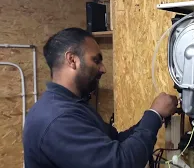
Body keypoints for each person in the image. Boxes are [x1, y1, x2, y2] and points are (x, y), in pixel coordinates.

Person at [23, 28, 178, 168]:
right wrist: (154, 114)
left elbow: (116, 141)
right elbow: (120, 163)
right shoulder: (58, 118)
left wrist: (155, 115)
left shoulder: (73, 105)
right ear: (72, 60)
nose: (103, 68)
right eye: (96, 60)